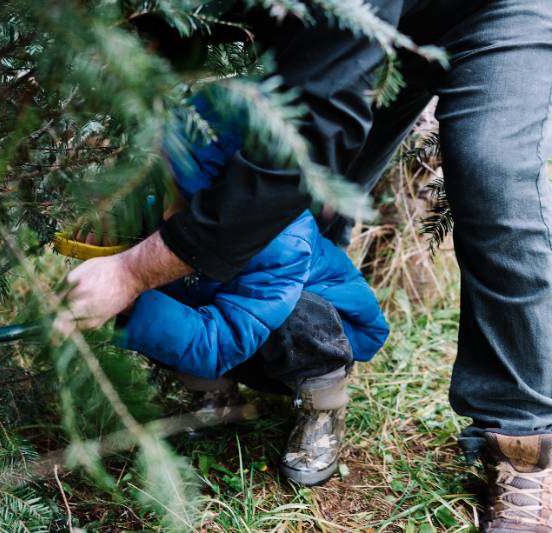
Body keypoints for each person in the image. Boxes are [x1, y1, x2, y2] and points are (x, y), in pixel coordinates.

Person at [62, 2, 552, 531]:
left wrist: (132, 289)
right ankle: (222, 388)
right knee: (303, 206)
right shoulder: (206, 164)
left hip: (492, 8)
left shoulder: (273, 245)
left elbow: (305, 137)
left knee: (492, 177)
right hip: (356, 29)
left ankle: (516, 439)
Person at [110, 97, 388, 485]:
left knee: (294, 315)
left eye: (186, 192)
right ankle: (217, 396)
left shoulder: (281, 238)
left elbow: (227, 339)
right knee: (159, 287)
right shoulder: (168, 205)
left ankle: (322, 411)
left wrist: (129, 303)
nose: (168, 201)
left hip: (322, 335)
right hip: (241, 320)